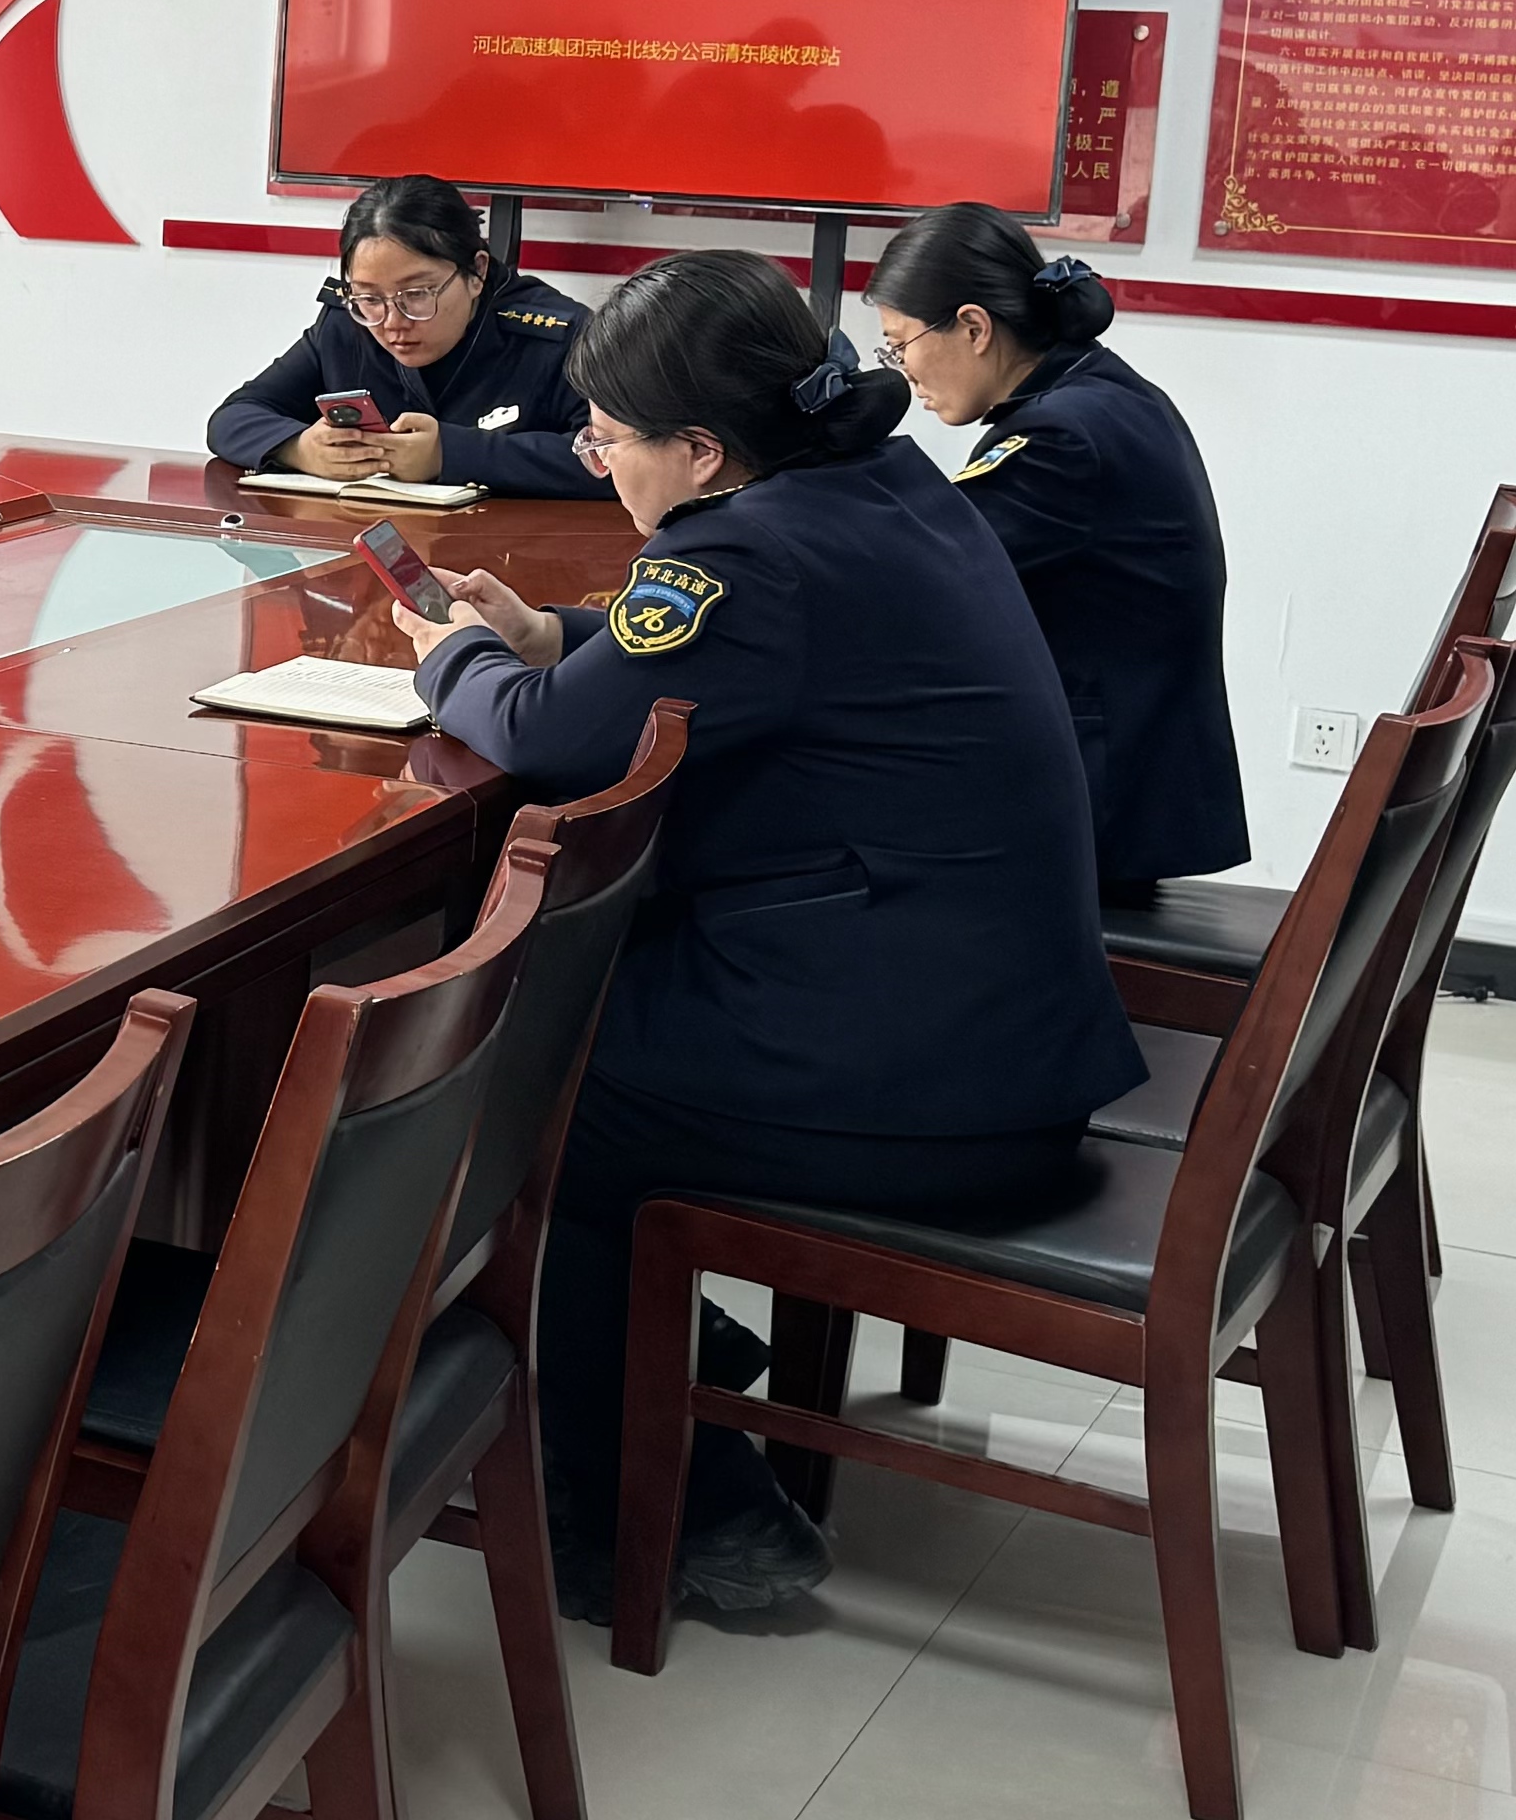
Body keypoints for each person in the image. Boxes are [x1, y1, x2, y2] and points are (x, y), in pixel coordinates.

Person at [385, 251, 1140, 1618]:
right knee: (563, 1024)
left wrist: (456, 663)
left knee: (520, 1089)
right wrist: (555, 632)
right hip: (996, 1026)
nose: (600, 464)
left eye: (607, 441)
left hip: (922, 1086)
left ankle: (690, 1512)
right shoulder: (873, 484)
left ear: (699, 450)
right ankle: (660, 1348)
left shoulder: (750, 554)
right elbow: (697, 658)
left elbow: (551, 742)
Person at [871, 203, 1251, 899]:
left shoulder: (1059, 440)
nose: (903, 373)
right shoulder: (1105, 394)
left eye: (900, 345)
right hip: (1126, 788)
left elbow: (920, 579)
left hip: (1094, 817)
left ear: (973, 327)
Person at [207, 172, 611, 500]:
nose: (392, 322)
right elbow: (232, 418)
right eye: (370, 297)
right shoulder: (347, 326)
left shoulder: (557, 336)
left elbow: (619, 458)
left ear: (477, 272)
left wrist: (450, 455)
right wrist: (299, 448)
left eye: (416, 294)